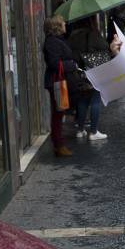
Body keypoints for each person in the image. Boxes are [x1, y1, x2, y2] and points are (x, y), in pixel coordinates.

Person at [68, 15, 120, 140]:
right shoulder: (93, 34)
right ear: (91, 21)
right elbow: (105, 48)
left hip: (79, 73)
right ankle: (93, 131)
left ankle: (80, 130)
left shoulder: (73, 37)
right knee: (96, 100)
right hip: (94, 71)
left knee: (82, 101)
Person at [42, 15, 78, 157]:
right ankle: (58, 144)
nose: (65, 24)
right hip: (56, 82)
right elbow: (54, 63)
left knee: (59, 112)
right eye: (63, 23)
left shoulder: (58, 40)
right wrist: (72, 65)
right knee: (57, 114)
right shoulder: (52, 42)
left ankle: (59, 144)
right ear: (57, 26)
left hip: (60, 80)